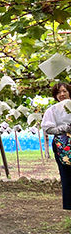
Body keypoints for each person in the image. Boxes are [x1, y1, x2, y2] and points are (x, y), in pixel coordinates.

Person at [41, 82, 71, 210]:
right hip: (63, 144)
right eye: (58, 92)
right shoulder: (52, 110)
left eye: (64, 91)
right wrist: (65, 128)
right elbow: (48, 128)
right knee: (67, 173)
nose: (62, 94)